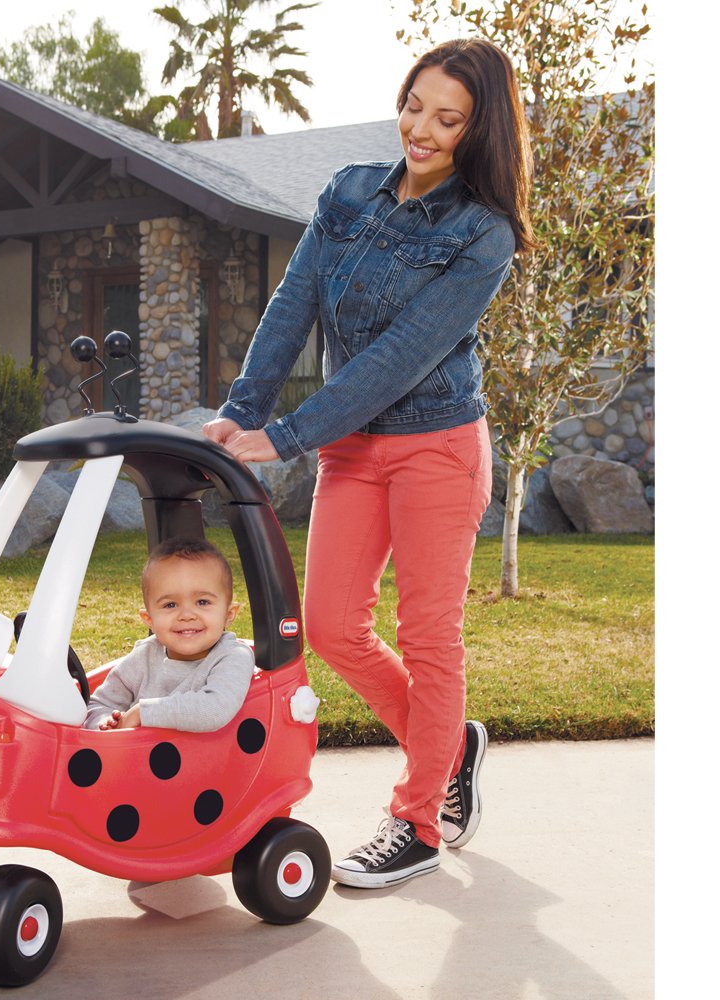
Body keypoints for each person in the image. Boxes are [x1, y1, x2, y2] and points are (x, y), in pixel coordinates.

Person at [203, 37, 535, 888]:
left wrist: (285, 437)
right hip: (355, 450)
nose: (421, 129)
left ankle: (417, 821)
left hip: (437, 446)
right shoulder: (347, 191)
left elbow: (400, 358)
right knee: (330, 626)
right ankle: (449, 744)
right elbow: (290, 308)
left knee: (429, 639)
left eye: (447, 119)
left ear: (477, 130)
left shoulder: (483, 234)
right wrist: (240, 413)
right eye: (414, 105)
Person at [83, 537, 255, 732]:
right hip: (135, 758)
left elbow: (214, 709)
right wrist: (107, 722)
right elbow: (96, 706)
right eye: (170, 605)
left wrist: (141, 713)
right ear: (149, 619)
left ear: (228, 614)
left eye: (202, 602)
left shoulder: (233, 657)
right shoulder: (144, 657)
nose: (187, 615)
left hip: (215, 759)